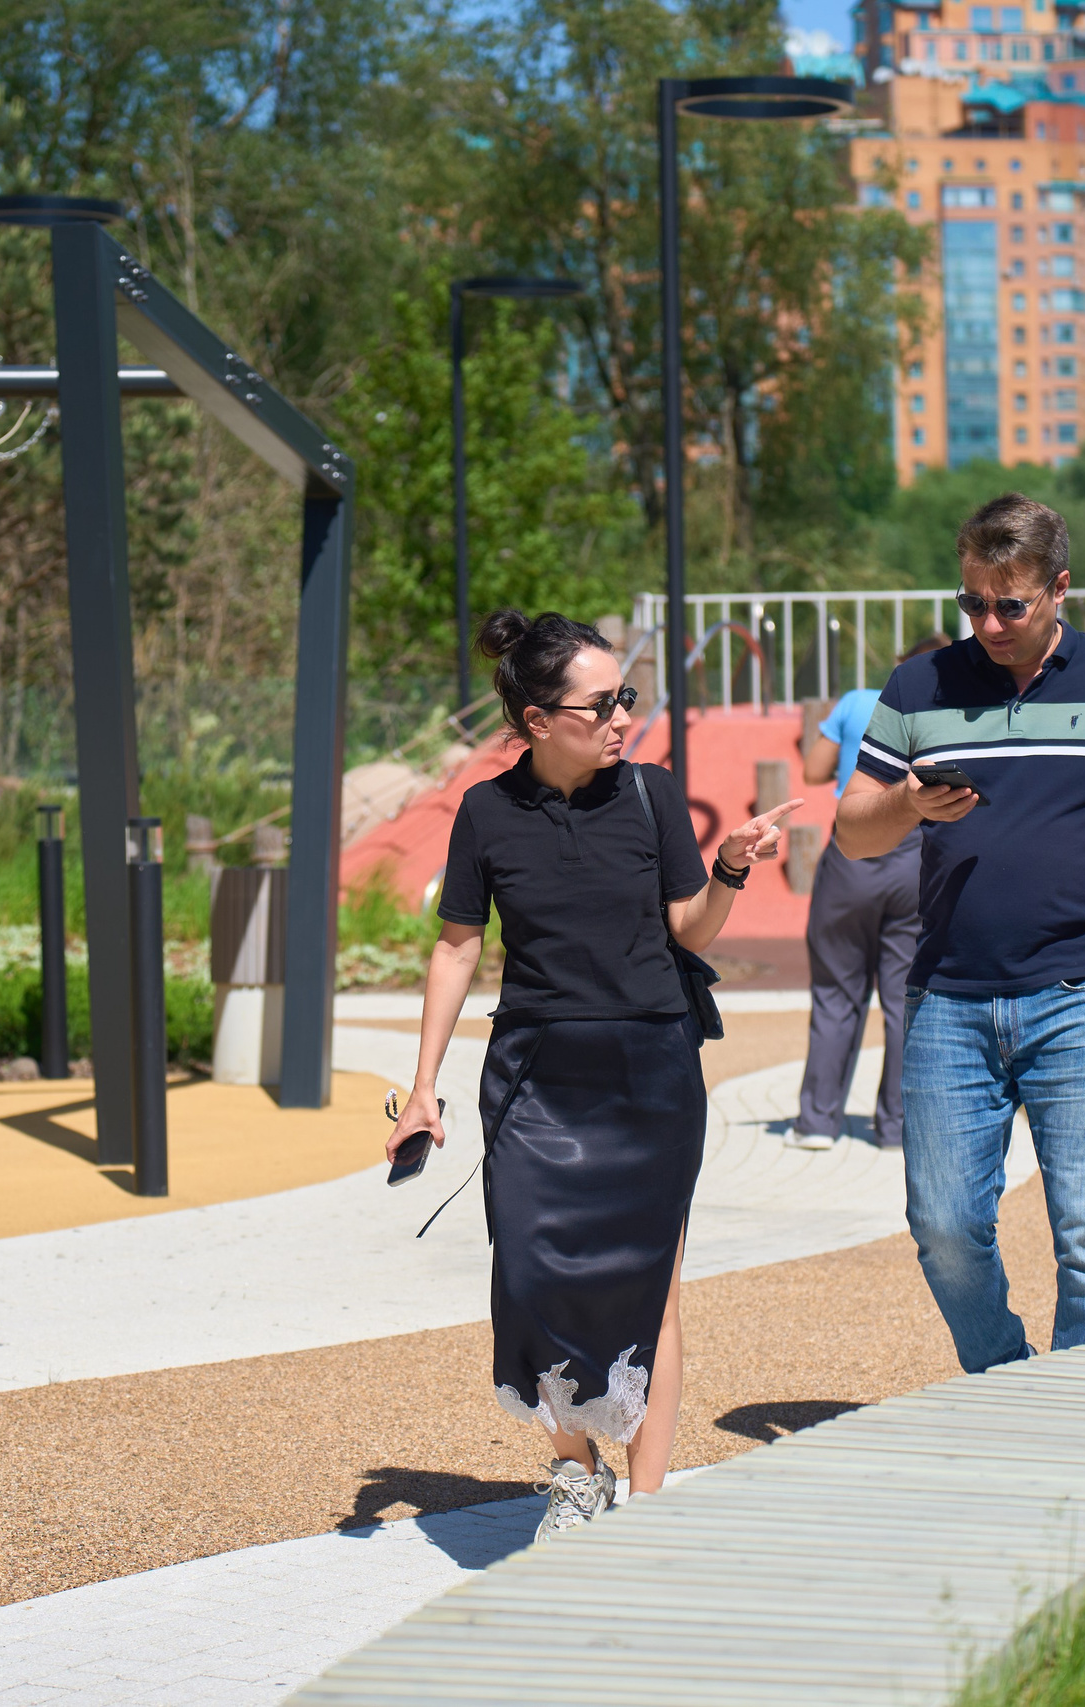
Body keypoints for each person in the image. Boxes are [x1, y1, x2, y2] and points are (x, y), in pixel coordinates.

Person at [388, 610, 800, 1541]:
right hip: (536, 1070)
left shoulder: (651, 795)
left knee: (653, 1284)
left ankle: (646, 1505)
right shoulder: (486, 812)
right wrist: (423, 1086)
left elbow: (688, 929)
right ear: (538, 719)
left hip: (648, 1069)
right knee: (531, 1275)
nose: (622, 716)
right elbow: (457, 947)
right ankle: (577, 1468)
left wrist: (730, 867)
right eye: (602, 703)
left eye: (626, 697)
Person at [833, 496, 1085, 1372]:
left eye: (1009, 604)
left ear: (1059, 590)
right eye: (971, 602)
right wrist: (907, 801)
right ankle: (1008, 1378)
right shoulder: (919, 687)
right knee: (941, 1225)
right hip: (948, 999)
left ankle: (1078, 1426)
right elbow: (852, 831)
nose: (988, 623)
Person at [790, 634, 951, 1151]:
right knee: (906, 998)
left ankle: (817, 1122)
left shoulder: (860, 702)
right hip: (913, 857)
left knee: (837, 991)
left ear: (900, 666)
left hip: (853, 855)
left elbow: (814, 771)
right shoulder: (948, 712)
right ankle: (896, 1128)